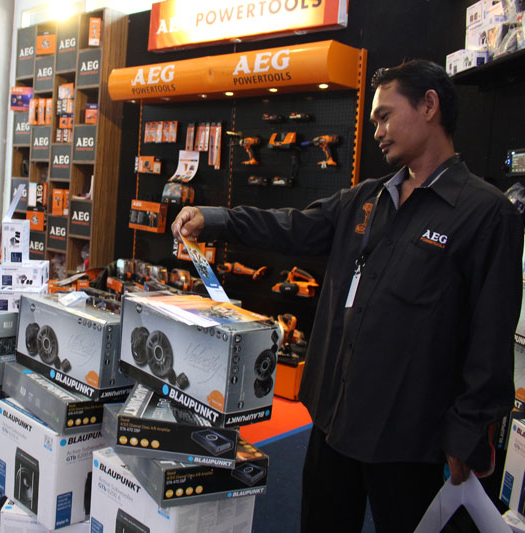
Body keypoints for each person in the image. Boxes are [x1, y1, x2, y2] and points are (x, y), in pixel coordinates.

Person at [172, 59, 523, 532]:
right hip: (334, 419)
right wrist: (216, 219)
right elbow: (292, 226)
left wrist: (469, 428)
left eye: (385, 116)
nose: (377, 131)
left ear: (429, 106)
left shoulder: (486, 213)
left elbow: (491, 335)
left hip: (410, 439)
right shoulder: (365, 200)